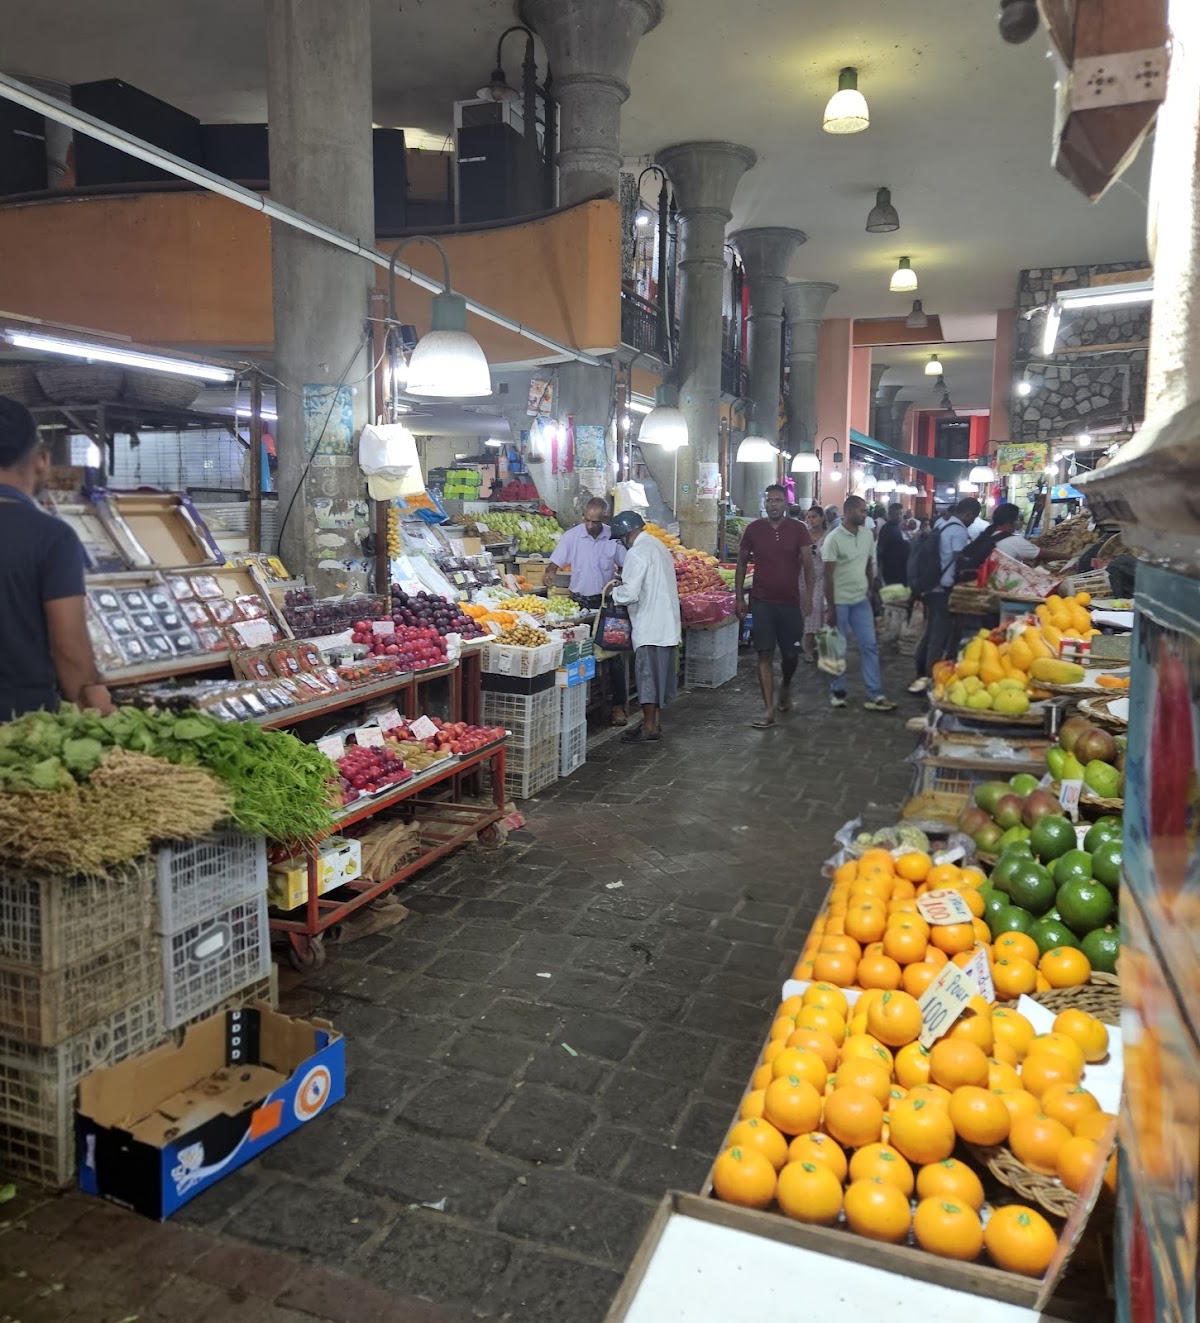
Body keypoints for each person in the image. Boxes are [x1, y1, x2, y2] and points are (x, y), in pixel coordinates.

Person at [0, 396, 113, 722]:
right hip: (21, 726)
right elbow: (69, 647)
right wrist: (96, 709)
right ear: (41, 460)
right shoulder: (51, 537)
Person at [735, 483, 815, 728]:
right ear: (765, 503)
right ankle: (769, 710)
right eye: (769, 500)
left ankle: (786, 686)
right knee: (764, 653)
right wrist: (739, 597)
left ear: (786, 504)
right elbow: (741, 563)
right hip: (762, 602)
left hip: (790, 602)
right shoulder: (754, 529)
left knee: (791, 654)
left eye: (778, 500)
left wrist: (809, 597)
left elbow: (808, 564)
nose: (773, 504)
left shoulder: (798, 529)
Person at [545, 498, 628, 724]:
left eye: (595, 521)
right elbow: (554, 563)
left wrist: (623, 579)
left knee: (613, 654)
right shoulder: (572, 536)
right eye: (587, 520)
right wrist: (550, 573)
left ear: (605, 518)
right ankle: (578, 706)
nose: (590, 526)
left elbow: (626, 564)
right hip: (579, 605)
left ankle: (618, 707)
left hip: (605, 605)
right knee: (577, 653)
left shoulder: (613, 537)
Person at [608, 511, 680, 743]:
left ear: (626, 535)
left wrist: (613, 593)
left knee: (647, 678)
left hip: (650, 626)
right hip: (666, 624)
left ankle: (648, 727)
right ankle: (654, 723)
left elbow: (630, 593)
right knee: (658, 678)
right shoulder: (658, 546)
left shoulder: (637, 552)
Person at [821, 495, 896, 712]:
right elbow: (827, 576)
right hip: (839, 602)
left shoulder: (867, 535)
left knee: (870, 646)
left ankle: (875, 694)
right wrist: (831, 608)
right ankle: (837, 690)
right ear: (849, 511)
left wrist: (871, 592)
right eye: (862, 511)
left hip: (861, 600)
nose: (865, 514)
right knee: (838, 647)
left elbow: (868, 565)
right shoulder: (833, 538)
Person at [909, 496, 979, 693]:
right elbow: (959, 559)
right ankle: (931, 678)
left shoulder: (942, 523)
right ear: (969, 514)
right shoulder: (959, 530)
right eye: (973, 518)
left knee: (930, 631)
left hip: (930, 585)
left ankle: (920, 672)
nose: (972, 521)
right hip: (942, 589)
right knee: (938, 636)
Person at [801, 507, 827, 663]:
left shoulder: (829, 536)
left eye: (814, 517)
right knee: (805, 611)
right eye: (809, 517)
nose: (811, 520)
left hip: (821, 578)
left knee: (815, 610)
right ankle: (807, 645)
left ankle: (811, 647)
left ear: (822, 517)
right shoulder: (804, 535)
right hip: (802, 577)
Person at [875, 503, 910, 587]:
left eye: (901, 514)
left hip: (901, 569)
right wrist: (878, 573)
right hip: (891, 570)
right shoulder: (887, 529)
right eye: (896, 514)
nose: (899, 516)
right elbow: (880, 550)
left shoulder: (898, 527)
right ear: (890, 515)